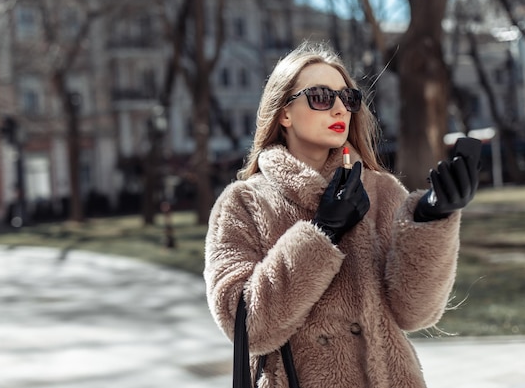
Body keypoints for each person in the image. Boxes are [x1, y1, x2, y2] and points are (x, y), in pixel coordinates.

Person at [204, 41, 478, 388]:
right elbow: (247, 327)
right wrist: (321, 232)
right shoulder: (243, 203)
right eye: (320, 97)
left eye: (347, 98)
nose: (339, 109)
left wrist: (429, 217)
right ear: (284, 113)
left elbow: (416, 312)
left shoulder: (381, 190)